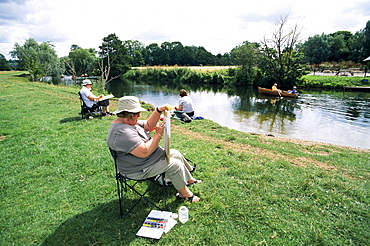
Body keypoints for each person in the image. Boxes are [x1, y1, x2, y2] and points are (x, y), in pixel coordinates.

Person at [106, 96, 201, 202]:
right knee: (175, 165)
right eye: (136, 113)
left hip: (146, 162)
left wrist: (158, 110)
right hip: (138, 169)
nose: (139, 115)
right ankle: (185, 194)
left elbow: (148, 125)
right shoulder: (123, 131)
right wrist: (158, 134)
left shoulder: (128, 121)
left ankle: (188, 179)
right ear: (128, 115)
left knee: (175, 153)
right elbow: (145, 152)